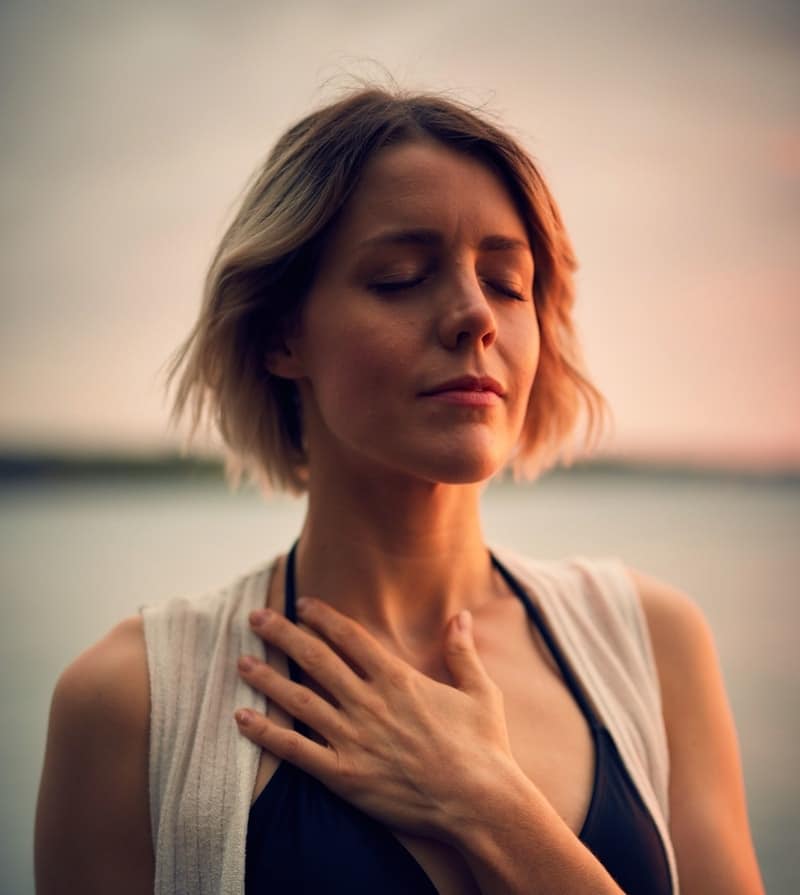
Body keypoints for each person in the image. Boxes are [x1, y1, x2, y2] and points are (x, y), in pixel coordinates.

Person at [35, 86, 765, 895]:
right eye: (400, 276)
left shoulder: (653, 644)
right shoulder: (130, 703)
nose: (472, 315)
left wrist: (489, 805)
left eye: (507, 282)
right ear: (283, 334)